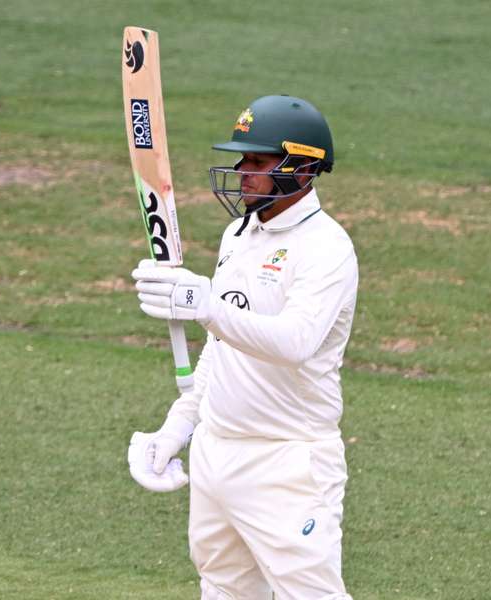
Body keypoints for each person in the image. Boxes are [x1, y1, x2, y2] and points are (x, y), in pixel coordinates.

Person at [127, 95, 358, 599]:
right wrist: (178, 426)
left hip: (287, 461)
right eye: (242, 160)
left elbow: (295, 342)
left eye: (257, 161)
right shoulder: (238, 234)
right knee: (223, 589)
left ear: (303, 167)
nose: (242, 173)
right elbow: (221, 349)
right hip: (216, 454)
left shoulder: (327, 248)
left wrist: (206, 305)